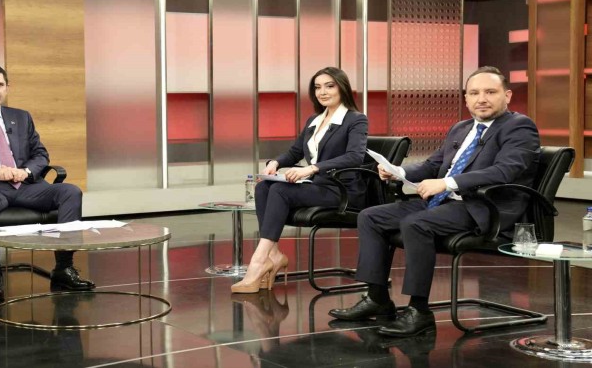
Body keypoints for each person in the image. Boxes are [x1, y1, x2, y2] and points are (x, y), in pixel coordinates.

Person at [329, 66, 540, 337]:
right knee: (370, 216)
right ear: (466, 99)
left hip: (483, 207)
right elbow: (432, 165)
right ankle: (377, 298)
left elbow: (504, 171)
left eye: (490, 92)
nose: (481, 99)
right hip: (446, 202)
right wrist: (398, 171)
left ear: (507, 95)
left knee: (417, 224)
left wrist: (447, 183)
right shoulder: (461, 128)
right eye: (474, 93)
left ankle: (419, 311)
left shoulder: (519, 127)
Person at [0, 64, 94, 301]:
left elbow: (40, 154)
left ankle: (64, 267)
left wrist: (26, 171)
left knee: (70, 192)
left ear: (7, 88)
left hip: (27, 187)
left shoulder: (21, 117)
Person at [231, 67, 368, 293]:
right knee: (264, 187)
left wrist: (312, 168)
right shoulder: (314, 119)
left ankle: (258, 261)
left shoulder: (356, 119)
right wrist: (275, 163)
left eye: (329, 86)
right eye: (317, 87)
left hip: (340, 189)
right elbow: (295, 152)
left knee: (280, 190)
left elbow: (355, 157)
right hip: (317, 185)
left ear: (342, 88)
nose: (322, 92)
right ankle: (273, 253)